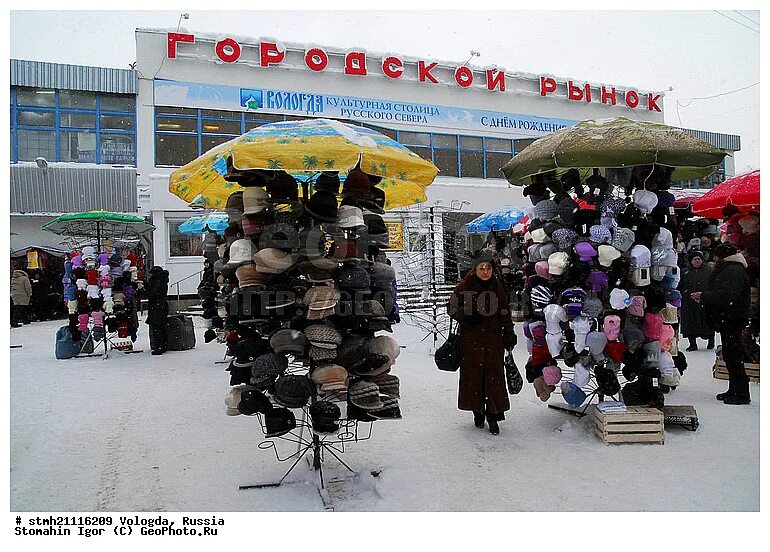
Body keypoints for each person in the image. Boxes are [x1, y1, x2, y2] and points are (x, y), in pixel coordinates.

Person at [448, 250, 516, 435]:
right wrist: (465, 316)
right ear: (475, 269)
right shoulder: (465, 287)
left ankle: (493, 416)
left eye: (488, 268)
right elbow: (451, 308)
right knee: (474, 377)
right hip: (471, 341)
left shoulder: (497, 286)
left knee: (494, 377)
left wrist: (509, 333)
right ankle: (477, 410)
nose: (485, 272)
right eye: (481, 268)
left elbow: (504, 312)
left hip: (494, 340)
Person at [691, 243, 751, 405]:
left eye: (716, 255)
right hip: (729, 318)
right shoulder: (731, 268)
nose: (714, 258)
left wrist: (704, 296)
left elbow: (726, 295)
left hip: (732, 318)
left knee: (734, 356)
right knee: (731, 356)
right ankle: (735, 389)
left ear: (722, 256)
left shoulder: (733, 270)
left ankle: (741, 393)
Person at [679, 250, 714, 351]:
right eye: (695, 259)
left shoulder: (709, 272)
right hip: (689, 302)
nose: (697, 261)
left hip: (705, 301)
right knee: (690, 323)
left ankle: (711, 340)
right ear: (691, 261)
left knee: (707, 322)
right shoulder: (685, 272)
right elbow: (680, 286)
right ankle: (692, 343)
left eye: (699, 259)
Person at [146, 265, 170, 355]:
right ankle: (163, 345)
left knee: (157, 327)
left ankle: (159, 347)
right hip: (162, 305)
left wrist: (146, 287)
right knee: (162, 326)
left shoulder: (156, 281)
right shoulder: (163, 280)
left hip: (156, 306)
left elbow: (152, 294)